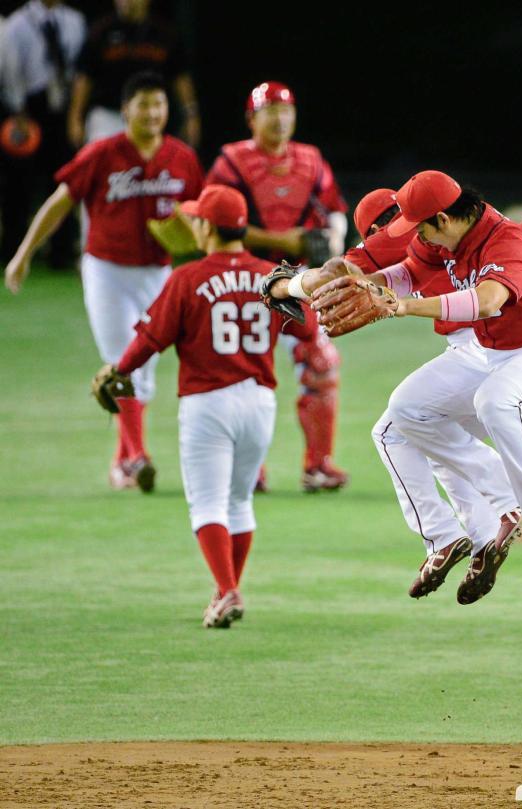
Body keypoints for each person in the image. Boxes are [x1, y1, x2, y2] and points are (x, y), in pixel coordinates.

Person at [269, 172, 522, 598]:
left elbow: (488, 300)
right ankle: (479, 526)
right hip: (486, 351)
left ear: (442, 218)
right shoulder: (438, 238)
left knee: (491, 406)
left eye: (419, 225)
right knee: (407, 412)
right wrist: (376, 286)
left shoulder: (503, 239)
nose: (413, 235)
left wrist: (289, 286)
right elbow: (406, 270)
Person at [111, 184, 316, 627]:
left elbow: (150, 340)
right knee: (239, 501)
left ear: (206, 225)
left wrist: (117, 370)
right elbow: (307, 330)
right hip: (260, 402)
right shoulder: (270, 276)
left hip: (207, 403)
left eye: (195, 220)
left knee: (206, 504)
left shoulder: (188, 276)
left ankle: (227, 591)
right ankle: (225, 593)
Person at [4, 70, 204, 491]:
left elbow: (203, 214)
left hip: (157, 272)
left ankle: (121, 462)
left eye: (159, 104)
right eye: (144, 104)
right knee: (121, 356)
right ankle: (136, 455)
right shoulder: (103, 153)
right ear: (125, 110)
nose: (153, 112)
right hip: (107, 270)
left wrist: (194, 234)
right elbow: (60, 203)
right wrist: (23, 254)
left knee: (144, 368)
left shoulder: (181, 157)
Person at [344, 188, 520, 603]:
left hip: (480, 348)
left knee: (393, 430)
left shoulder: (396, 236)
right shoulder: (457, 232)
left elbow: (348, 268)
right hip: (503, 348)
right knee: (431, 434)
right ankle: (480, 540)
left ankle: (472, 520)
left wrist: (292, 284)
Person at [207, 81, 349, 492]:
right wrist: (283, 242)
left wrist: (334, 239)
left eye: (286, 110)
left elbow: (335, 210)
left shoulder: (311, 159)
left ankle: (318, 465)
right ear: (252, 118)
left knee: (322, 363)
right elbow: (214, 224)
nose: (280, 119)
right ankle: (249, 469)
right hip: (246, 279)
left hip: (297, 282)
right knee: (244, 375)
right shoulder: (231, 163)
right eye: (271, 111)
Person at [0, 0, 85, 267]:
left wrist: (75, 112)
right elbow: (11, 70)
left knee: (62, 181)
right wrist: (19, 111)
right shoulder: (18, 23)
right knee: (18, 185)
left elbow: (80, 67)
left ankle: (60, 250)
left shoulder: (75, 20)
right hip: (28, 111)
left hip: (64, 107)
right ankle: (13, 247)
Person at [67, 0, 200, 148]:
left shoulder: (165, 33)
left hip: (150, 115)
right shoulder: (101, 31)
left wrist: (191, 115)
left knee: (149, 167)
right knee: (104, 165)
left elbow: (180, 77)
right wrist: (75, 117)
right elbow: (85, 77)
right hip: (108, 114)